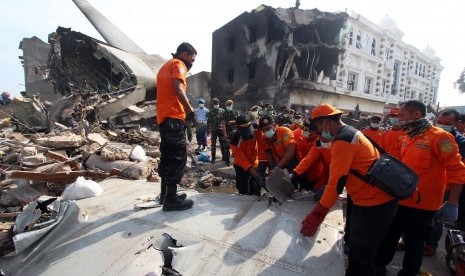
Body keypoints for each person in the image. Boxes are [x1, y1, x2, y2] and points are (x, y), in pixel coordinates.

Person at [300, 103, 398, 275]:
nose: (319, 133)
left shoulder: (343, 140)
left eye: (317, 128)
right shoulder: (351, 132)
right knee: (365, 252)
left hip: (372, 204)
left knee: (360, 258)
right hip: (375, 200)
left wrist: (318, 213)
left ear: (325, 123)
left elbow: (336, 183)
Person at [375, 100, 465, 276]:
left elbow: (457, 170)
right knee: (388, 239)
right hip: (400, 198)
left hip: (423, 205)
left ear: (416, 115)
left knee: (414, 246)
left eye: (401, 115)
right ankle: (379, 269)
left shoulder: (441, 138)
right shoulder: (408, 135)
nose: (398, 119)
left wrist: (452, 202)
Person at [156, 42, 197, 211]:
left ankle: (165, 195)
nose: (192, 63)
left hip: (164, 119)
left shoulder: (164, 67)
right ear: (185, 54)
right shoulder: (178, 64)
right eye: (192, 59)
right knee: (177, 158)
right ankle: (171, 200)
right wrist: (190, 111)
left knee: (167, 157)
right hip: (174, 119)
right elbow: (178, 89)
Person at [424, 108, 465, 256]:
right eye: (439, 122)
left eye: (447, 123)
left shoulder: (453, 142)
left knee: (437, 219)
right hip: (427, 184)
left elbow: (458, 169)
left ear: (457, 123)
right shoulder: (429, 136)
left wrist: (453, 202)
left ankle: (430, 244)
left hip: (446, 187)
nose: (442, 125)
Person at [230, 115, 261, 195]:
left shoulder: (257, 130)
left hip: (255, 163)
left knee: (255, 186)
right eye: (245, 131)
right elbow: (243, 161)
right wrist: (257, 176)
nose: (248, 133)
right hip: (241, 166)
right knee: (242, 187)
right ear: (237, 129)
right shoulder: (234, 141)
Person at [207, 98, 227, 163]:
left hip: (221, 130)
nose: (216, 105)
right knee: (213, 145)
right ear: (213, 104)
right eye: (215, 104)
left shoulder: (222, 111)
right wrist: (208, 131)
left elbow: (225, 121)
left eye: (217, 103)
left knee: (223, 144)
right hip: (214, 130)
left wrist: (225, 130)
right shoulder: (210, 112)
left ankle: (224, 156)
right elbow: (208, 122)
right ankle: (213, 158)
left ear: (219, 103)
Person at [220, 99, 239, 166]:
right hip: (227, 131)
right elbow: (223, 124)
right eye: (228, 105)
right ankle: (227, 161)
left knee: (236, 146)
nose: (229, 106)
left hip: (235, 131)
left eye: (230, 105)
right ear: (226, 106)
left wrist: (232, 122)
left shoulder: (235, 112)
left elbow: (238, 121)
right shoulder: (224, 113)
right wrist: (225, 134)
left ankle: (236, 161)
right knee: (227, 147)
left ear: (232, 105)